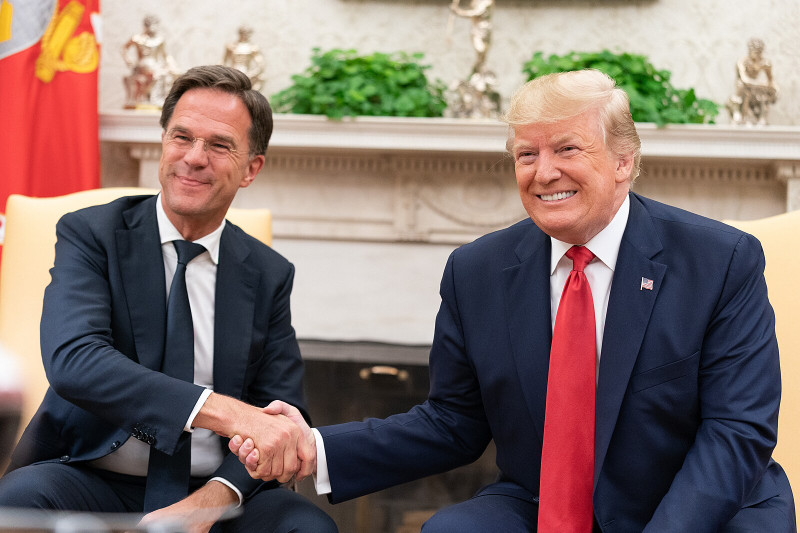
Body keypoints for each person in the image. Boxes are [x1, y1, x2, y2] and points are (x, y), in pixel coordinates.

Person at [231, 69, 796, 532]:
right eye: (526, 154)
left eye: (567, 148)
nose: (544, 172)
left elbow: (735, 431)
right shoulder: (476, 271)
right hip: (544, 506)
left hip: (701, 508)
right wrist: (313, 447)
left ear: (623, 161)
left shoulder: (720, 261)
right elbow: (452, 422)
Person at [0, 65, 336, 533]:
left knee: (307, 527)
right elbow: (76, 361)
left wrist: (210, 502)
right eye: (182, 137)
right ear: (163, 142)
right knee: (16, 502)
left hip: (214, 491)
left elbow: (281, 414)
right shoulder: (92, 234)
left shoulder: (268, 273)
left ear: (251, 169)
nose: (194, 158)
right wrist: (229, 413)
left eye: (219, 145)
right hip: (89, 474)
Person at [122, 15, 179, 108]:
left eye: (155, 25)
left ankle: (158, 98)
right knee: (158, 74)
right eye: (150, 25)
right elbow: (124, 49)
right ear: (146, 26)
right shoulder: (137, 38)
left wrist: (172, 65)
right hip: (142, 65)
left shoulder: (160, 40)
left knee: (170, 73)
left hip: (155, 65)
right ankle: (153, 98)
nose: (153, 27)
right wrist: (128, 60)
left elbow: (165, 56)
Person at [223, 25, 265, 92]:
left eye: (247, 33)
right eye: (242, 33)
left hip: (246, 73)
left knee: (261, 79)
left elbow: (260, 64)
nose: (245, 35)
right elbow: (223, 61)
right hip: (232, 72)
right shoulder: (231, 46)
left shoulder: (253, 48)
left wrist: (252, 74)